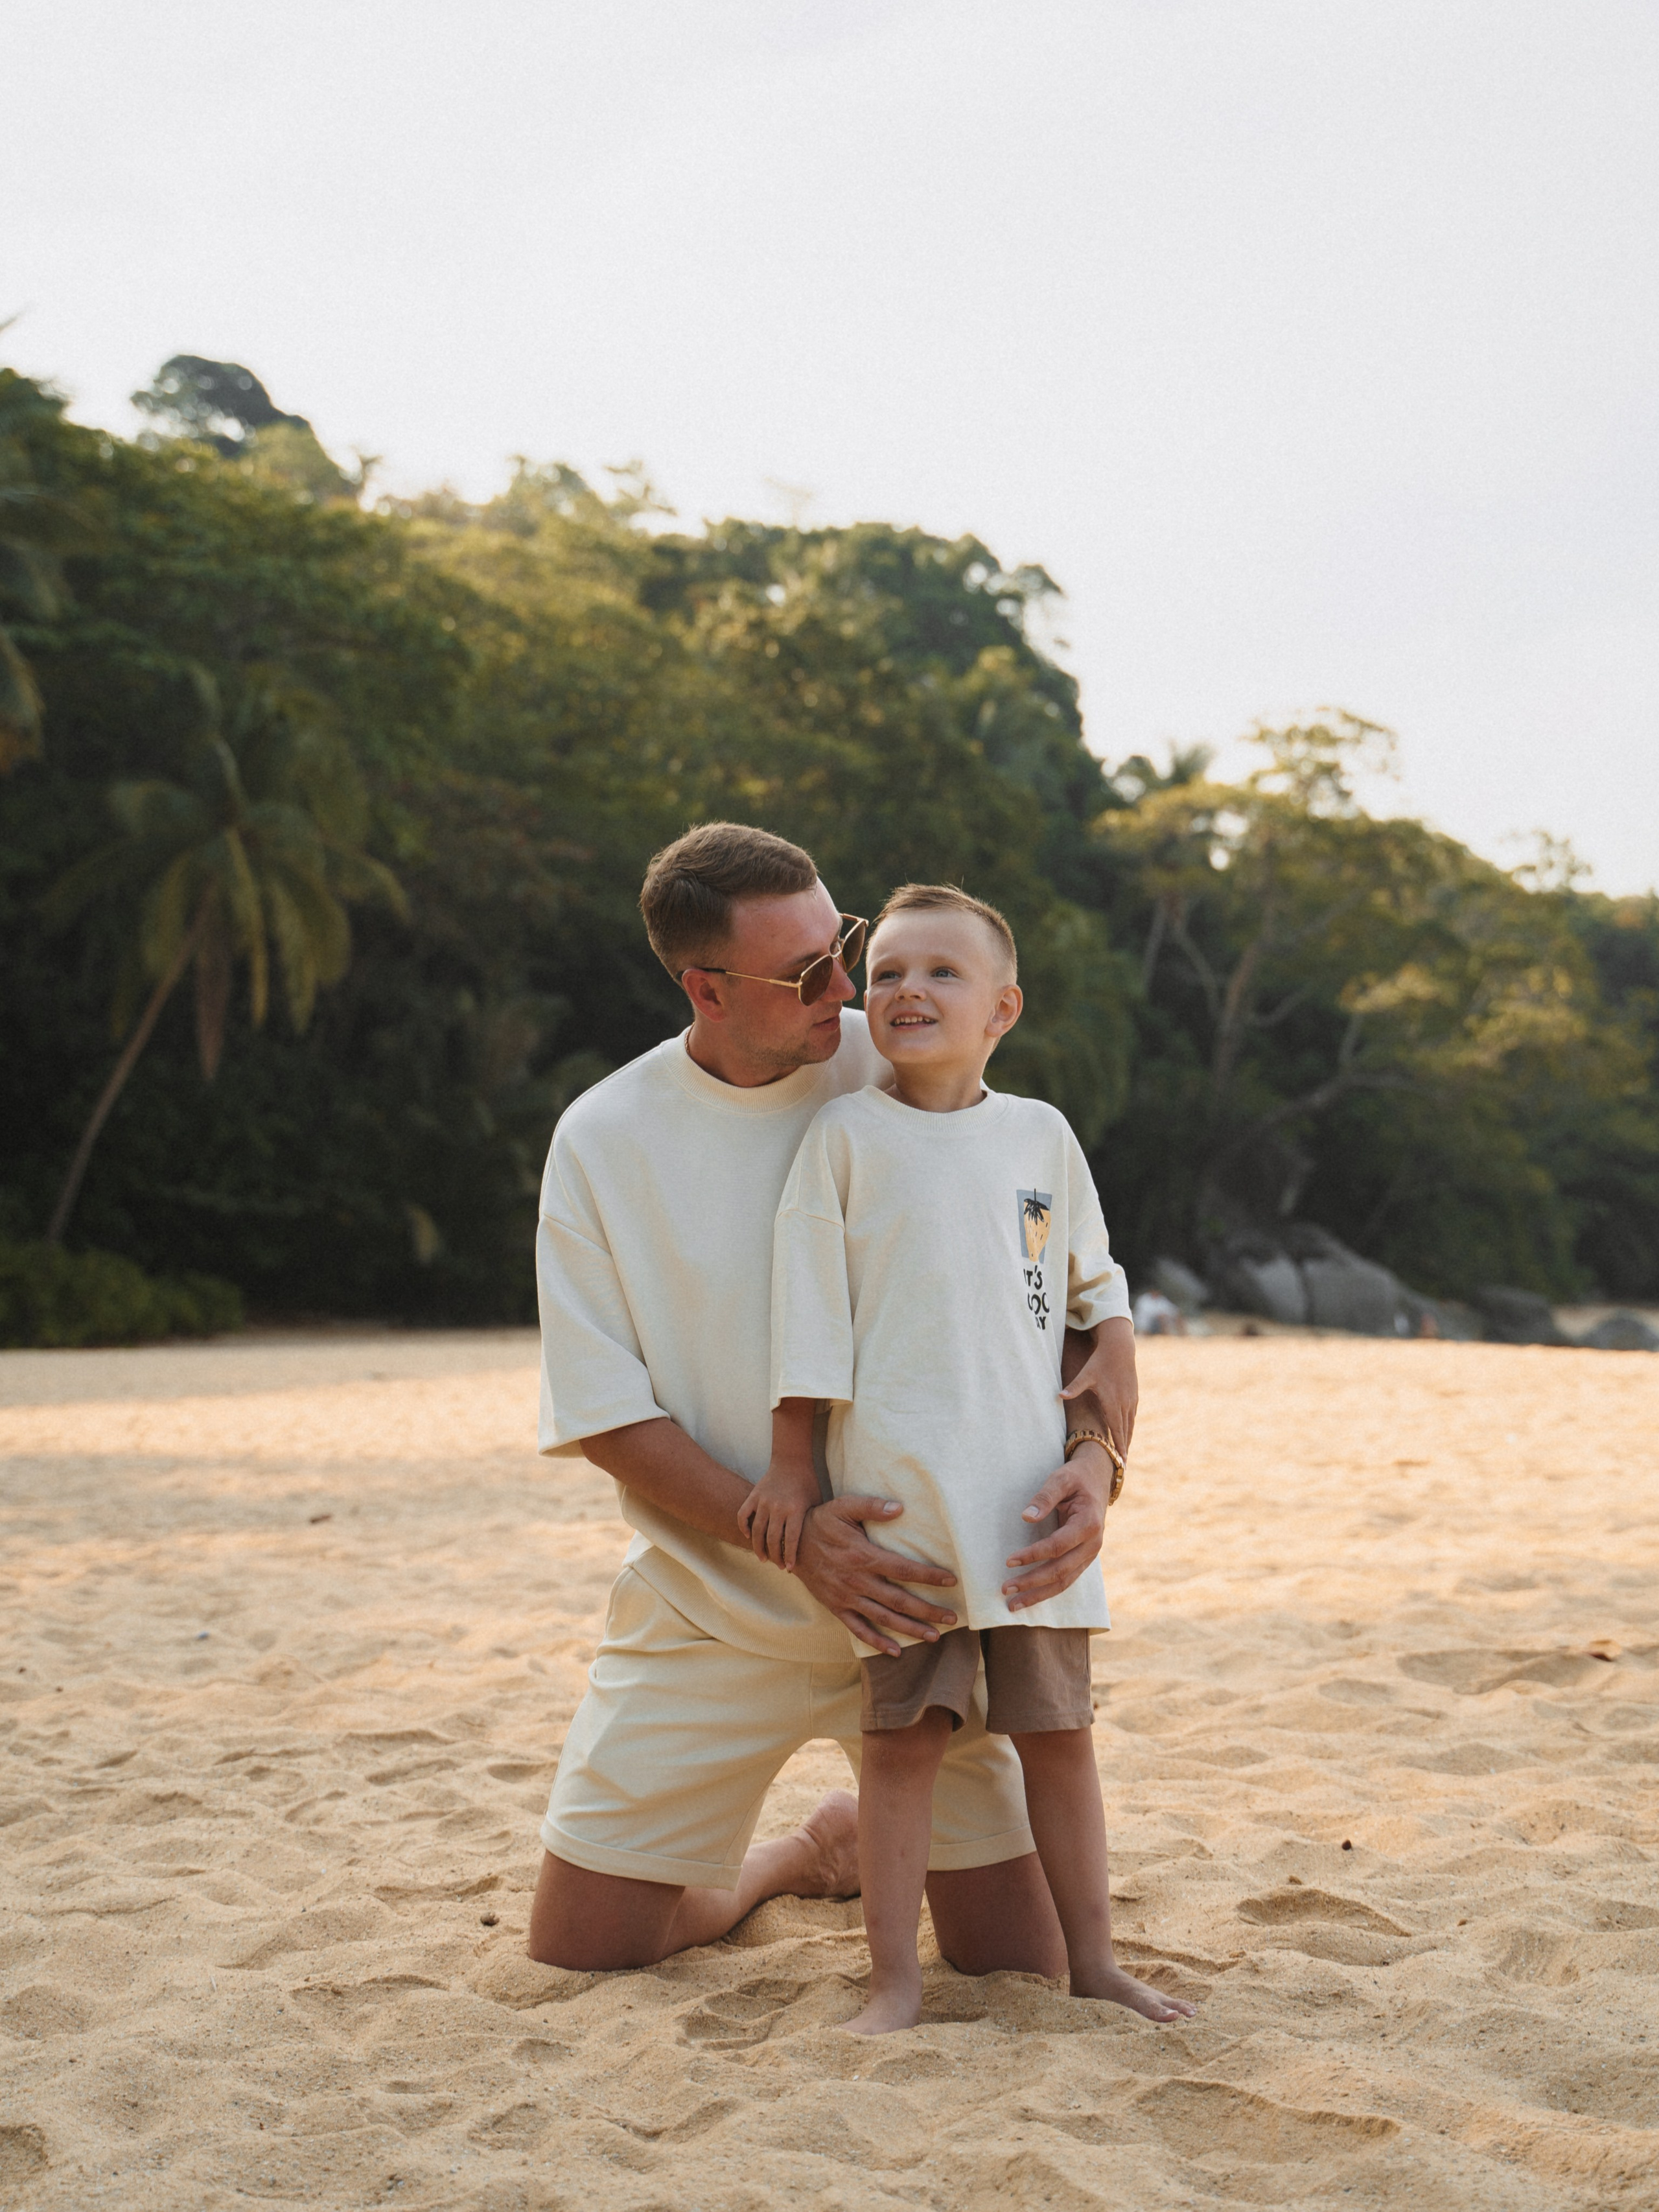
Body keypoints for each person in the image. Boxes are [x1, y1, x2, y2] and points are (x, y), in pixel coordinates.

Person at [528, 824, 1128, 1973]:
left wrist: (1100, 1451)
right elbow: (607, 1414)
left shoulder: (902, 1061)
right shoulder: (603, 1139)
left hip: (927, 1605)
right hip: (714, 1609)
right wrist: (798, 1540)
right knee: (584, 1951)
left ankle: (868, 1833)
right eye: (809, 973)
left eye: (843, 945)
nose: (852, 988)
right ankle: (790, 1860)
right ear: (705, 987)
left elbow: (1054, 1275)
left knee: (1022, 1966)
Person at [740, 883, 1198, 2033]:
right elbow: (807, 1319)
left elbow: (1089, 1286)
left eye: (942, 972)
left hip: (1031, 1511)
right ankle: (893, 1978)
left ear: (1004, 1008)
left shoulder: (1041, 1135)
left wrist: (1104, 1437)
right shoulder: (843, 1139)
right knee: (899, 1750)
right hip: (902, 1508)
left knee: (1061, 1740)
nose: (906, 990)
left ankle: (1096, 1961)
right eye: (887, 971)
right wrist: (795, 1467)